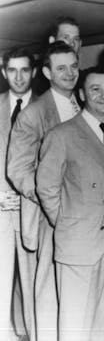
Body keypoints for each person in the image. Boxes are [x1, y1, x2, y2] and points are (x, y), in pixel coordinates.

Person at [36, 67, 104, 341]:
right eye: (95, 89)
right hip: (79, 245)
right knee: (75, 326)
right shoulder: (62, 135)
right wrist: (69, 223)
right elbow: (46, 188)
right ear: (81, 93)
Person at [8, 41, 80, 341]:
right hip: (50, 218)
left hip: (84, 218)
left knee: (75, 294)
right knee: (48, 293)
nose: (69, 73)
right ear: (48, 72)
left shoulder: (85, 104)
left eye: (74, 66)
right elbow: (17, 170)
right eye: (61, 68)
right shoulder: (34, 114)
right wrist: (50, 198)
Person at [0, 47, 37, 341]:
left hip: (33, 210)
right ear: (3, 72)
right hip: (0, 210)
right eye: (12, 70)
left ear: (34, 73)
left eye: (24, 70)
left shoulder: (48, 109)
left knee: (34, 284)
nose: (19, 76)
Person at [33, 17, 82, 96]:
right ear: (52, 41)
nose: (72, 44)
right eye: (66, 37)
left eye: (76, 39)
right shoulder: (37, 79)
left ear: (80, 44)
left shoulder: (82, 79)